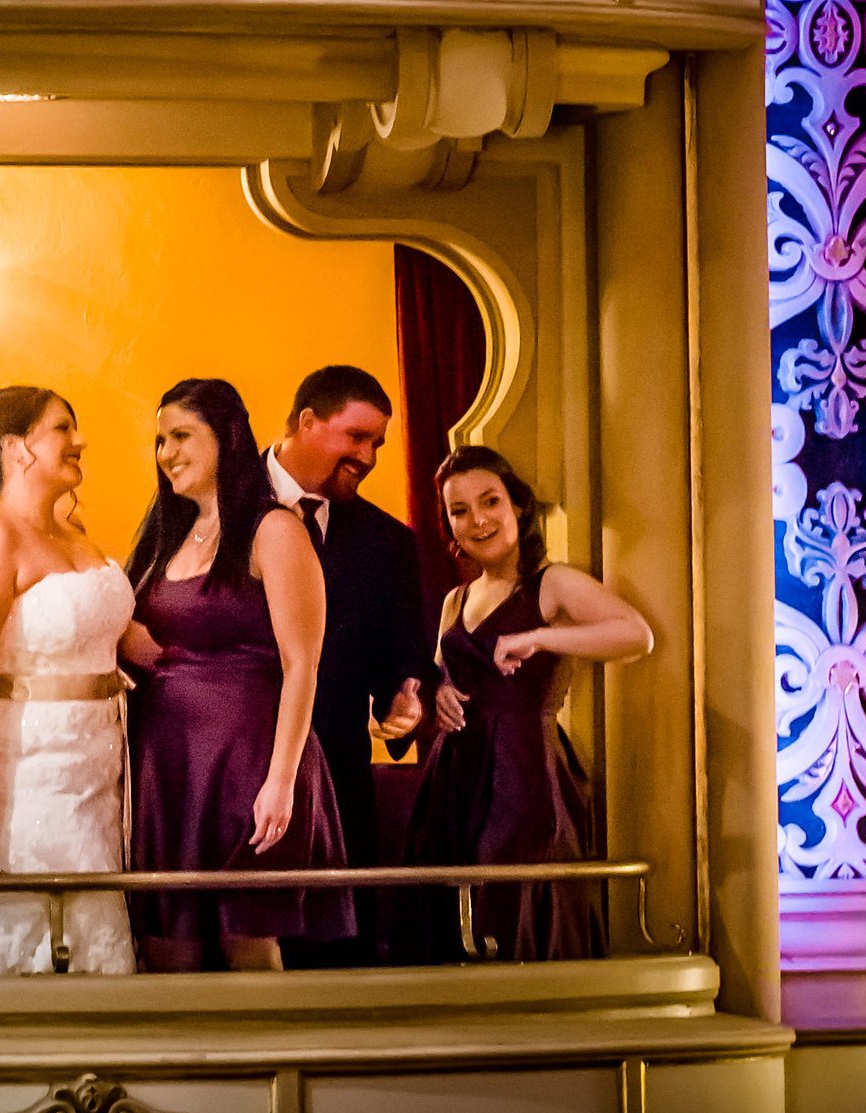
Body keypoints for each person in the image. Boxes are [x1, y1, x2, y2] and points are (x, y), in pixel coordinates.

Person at [121, 376, 351, 971]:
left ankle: (275, 1065)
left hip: (248, 759)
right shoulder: (165, 535)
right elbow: (138, 632)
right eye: (160, 441)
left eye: (181, 436)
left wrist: (281, 780)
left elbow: (303, 663)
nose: (166, 452)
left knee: (246, 937)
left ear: (226, 438)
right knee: (166, 942)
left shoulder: (273, 529)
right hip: (167, 763)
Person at [404, 443, 652, 961]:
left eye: (490, 501)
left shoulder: (552, 582)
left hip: (525, 774)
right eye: (459, 511)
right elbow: (437, 677)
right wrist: (438, 695)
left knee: (518, 910)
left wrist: (542, 638)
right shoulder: (456, 599)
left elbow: (636, 636)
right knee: (450, 918)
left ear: (517, 505)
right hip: (453, 777)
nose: (478, 520)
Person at [0, 385, 135, 976]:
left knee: (95, 928)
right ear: (17, 447)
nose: (80, 442)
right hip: (20, 765)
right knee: (23, 937)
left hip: (96, 761)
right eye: (62, 429)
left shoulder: (77, 537)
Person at [266, 363, 435, 959]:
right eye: (356, 437)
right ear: (306, 421)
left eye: (378, 444)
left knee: (336, 959)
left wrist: (405, 693)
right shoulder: (213, 509)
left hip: (338, 782)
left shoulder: (389, 543)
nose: (368, 456)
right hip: (232, 765)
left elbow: (403, 651)